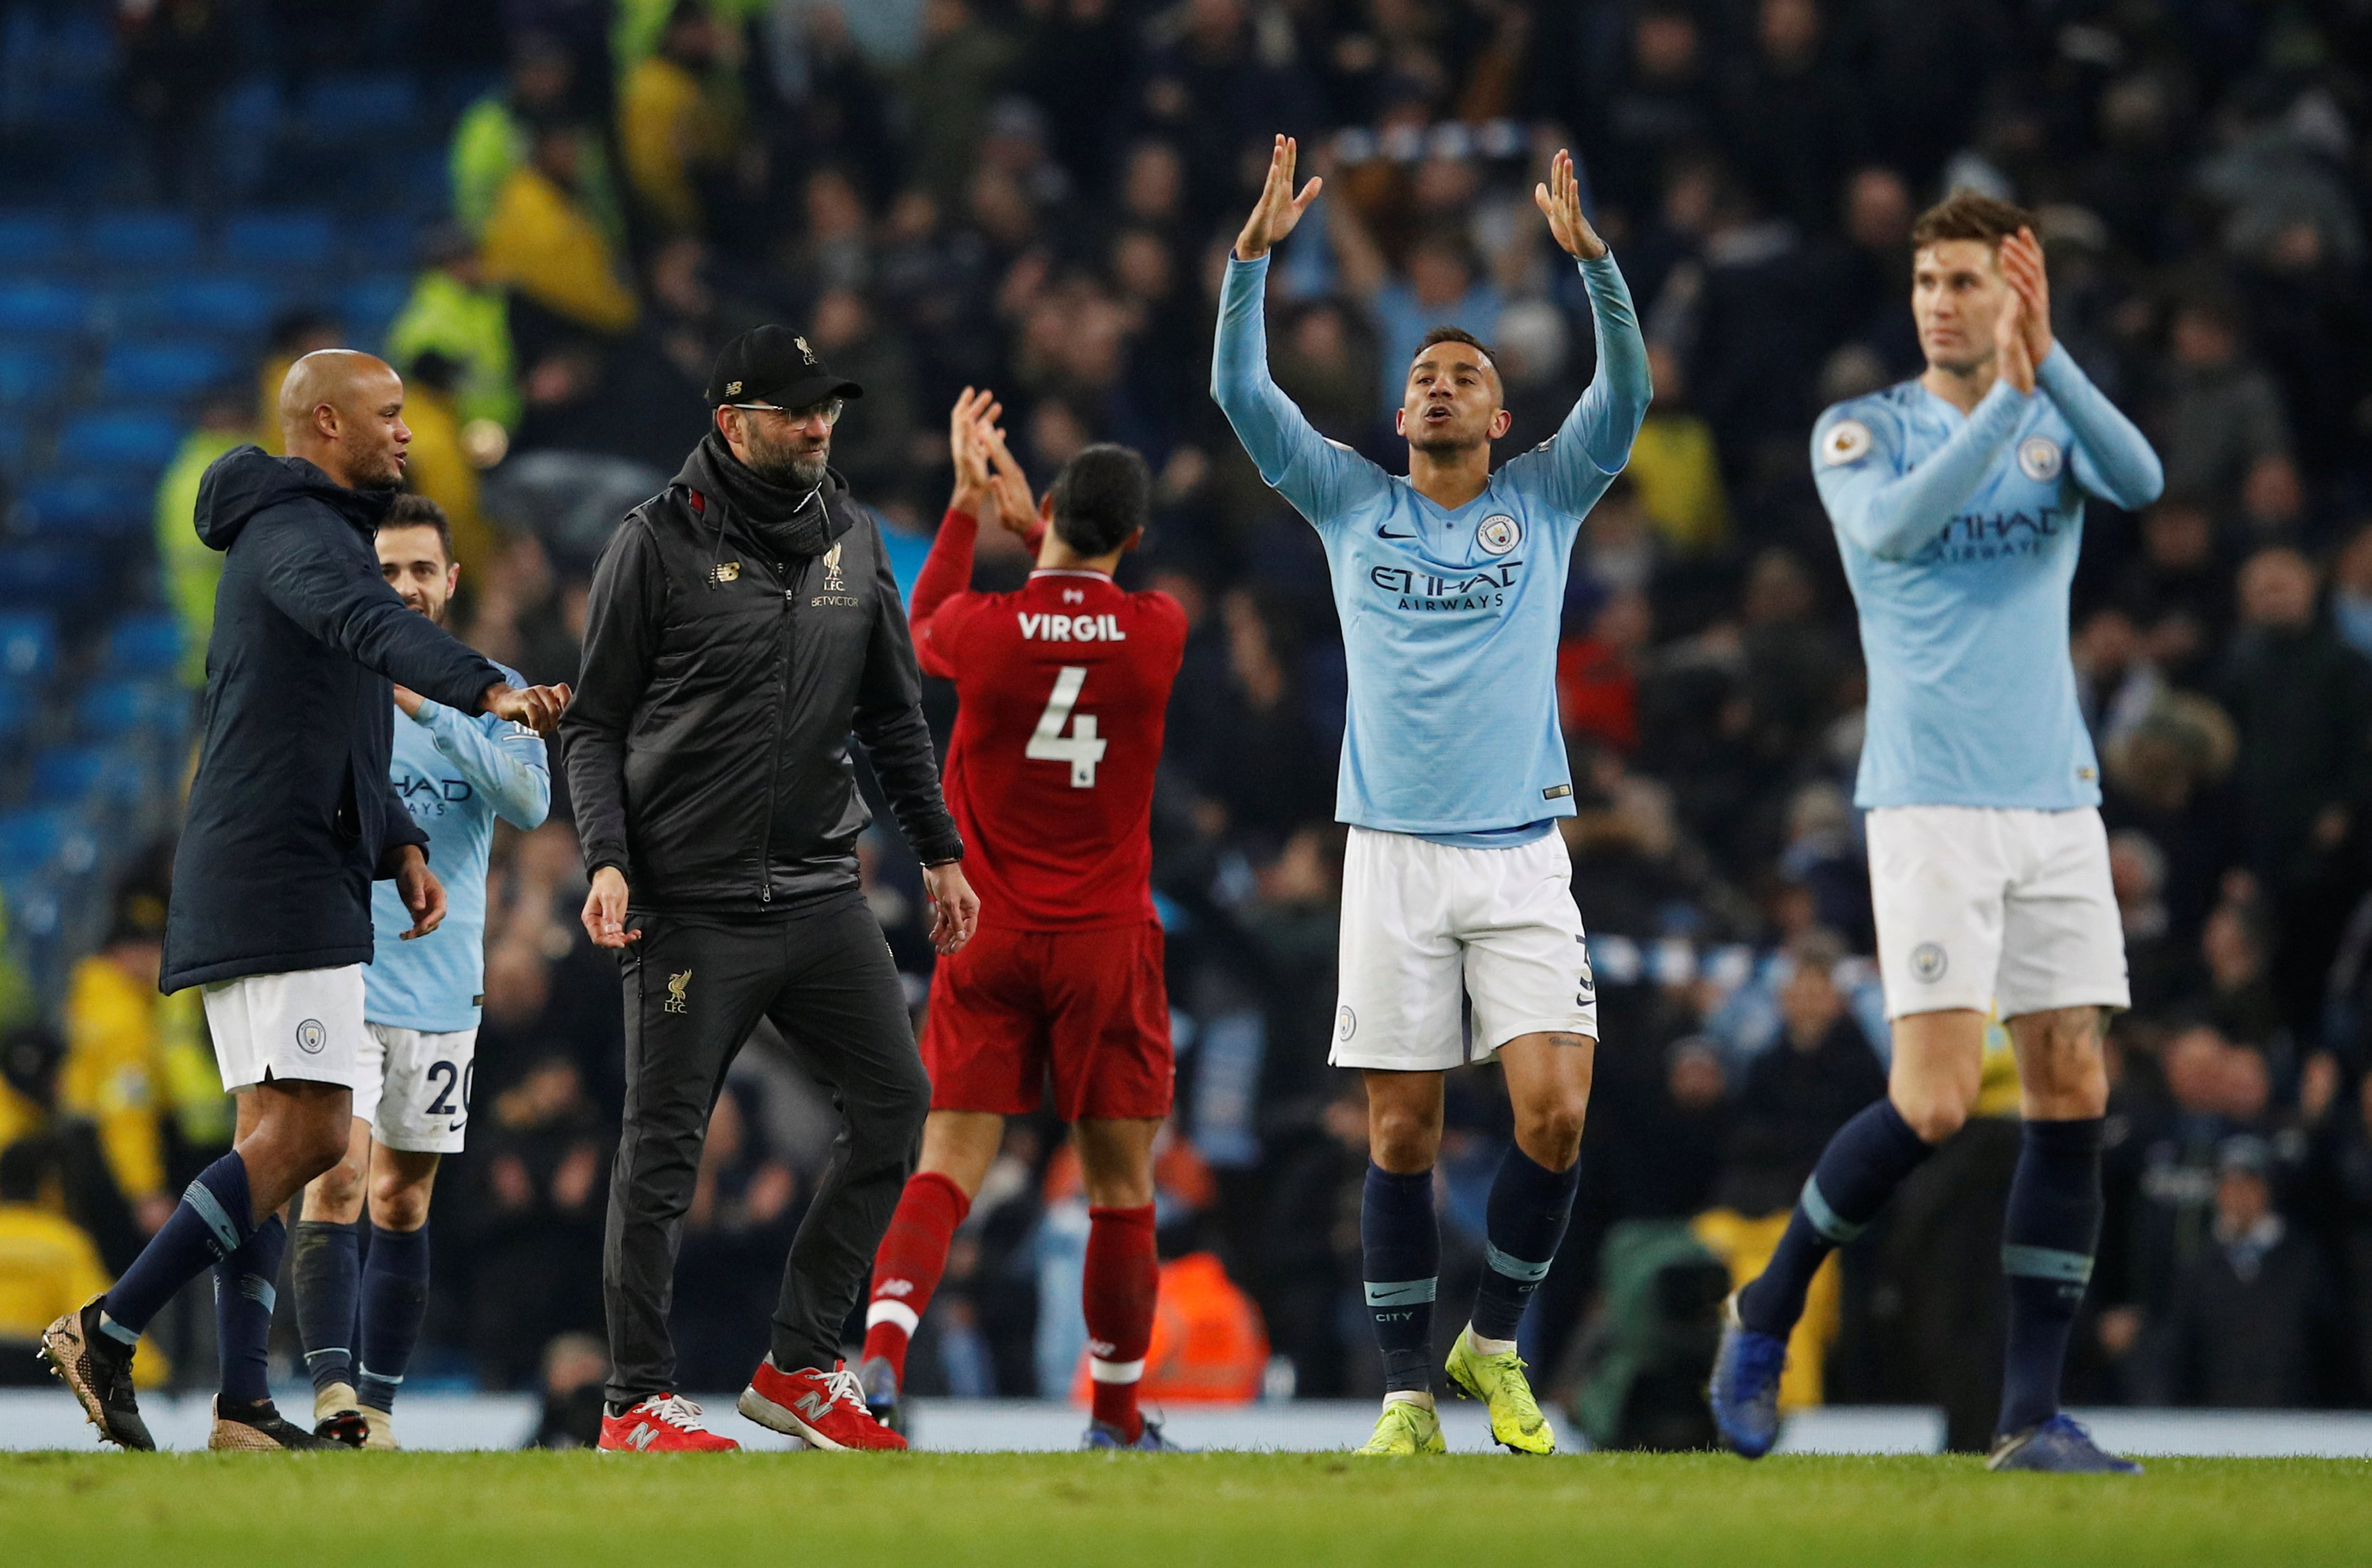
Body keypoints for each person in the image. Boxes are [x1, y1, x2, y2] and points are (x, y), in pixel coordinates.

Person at [1709, 192, 2165, 1474]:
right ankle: (1769, 1304)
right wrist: (2018, 406)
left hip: (2056, 796)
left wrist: (2051, 367)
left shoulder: (2048, 413)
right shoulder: (1862, 429)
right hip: (1930, 803)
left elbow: (2144, 478)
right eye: (1930, 282)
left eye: (1967, 281)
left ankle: (2029, 1416)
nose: (1942, 303)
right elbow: (1896, 528)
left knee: (2075, 1085)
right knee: (1937, 1099)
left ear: (2012, 295)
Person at [40, 350, 569, 1451]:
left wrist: (403, 843)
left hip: (263, 864)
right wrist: (487, 686)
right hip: (282, 877)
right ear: (326, 423)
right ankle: (110, 1323)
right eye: (388, 415)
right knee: (319, 1131)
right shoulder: (301, 537)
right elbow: (374, 634)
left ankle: (240, 1405)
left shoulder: (290, 535)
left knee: (268, 1136)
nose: (408, 432)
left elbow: (328, 730)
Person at [1212, 137, 1652, 1456]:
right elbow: (1243, 396)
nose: (1442, 385)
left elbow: (1624, 399)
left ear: (1501, 416)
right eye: (1425, 375)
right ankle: (1407, 1394)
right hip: (1394, 857)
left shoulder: (1549, 496)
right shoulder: (1351, 503)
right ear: (1400, 416)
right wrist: (1250, 262)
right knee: (1402, 1130)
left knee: (1556, 1111)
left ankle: (1494, 1339)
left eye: (1466, 374)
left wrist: (1598, 271)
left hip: (1519, 850)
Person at [563, 325, 980, 1454]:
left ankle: (799, 1362)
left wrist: (938, 851)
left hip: (815, 889)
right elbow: (595, 727)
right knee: (664, 1148)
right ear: (731, 421)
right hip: (686, 903)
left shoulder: (853, 536)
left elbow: (894, 713)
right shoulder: (652, 543)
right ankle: (633, 1402)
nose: (819, 425)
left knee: (896, 1103)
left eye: (826, 409)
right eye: (796, 411)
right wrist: (606, 856)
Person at [856, 392, 1188, 1449]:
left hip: (988, 934)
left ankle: (883, 1350)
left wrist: (968, 515)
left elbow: (920, 628)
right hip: (1103, 943)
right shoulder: (1158, 629)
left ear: (1041, 508)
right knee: (1118, 1190)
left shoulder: (986, 634)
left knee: (945, 1163)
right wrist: (1044, 541)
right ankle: (1119, 1420)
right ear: (1132, 540)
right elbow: (1091, 597)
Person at [292, 495, 552, 1450]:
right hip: (341, 977)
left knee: (404, 1197)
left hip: (447, 990)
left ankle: (384, 1406)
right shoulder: (330, 680)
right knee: (337, 1177)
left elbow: (527, 799)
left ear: (449, 580)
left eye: (420, 570)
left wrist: (429, 709)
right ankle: (331, 1399)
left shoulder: (494, 687)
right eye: (387, 570)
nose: (404, 586)